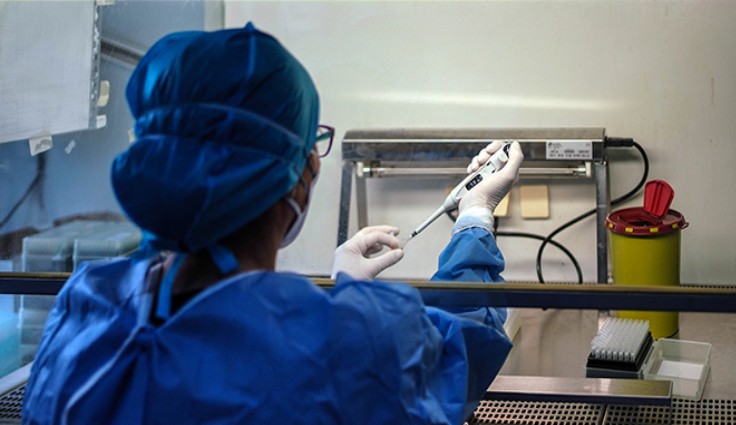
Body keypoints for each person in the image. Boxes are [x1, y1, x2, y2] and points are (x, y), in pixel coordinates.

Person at [22, 23, 524, 425]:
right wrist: (475, 214)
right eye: (311, 145)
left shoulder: (85, 306)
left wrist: (343, 292)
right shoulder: (350, 342)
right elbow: (465, 350)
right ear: (295, 179)